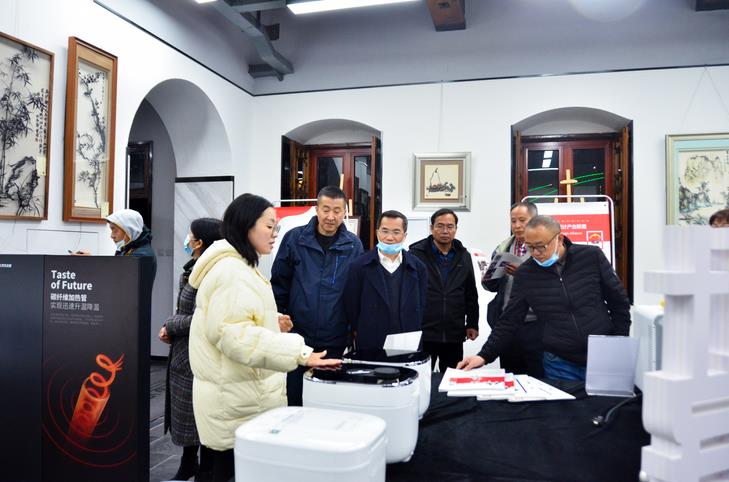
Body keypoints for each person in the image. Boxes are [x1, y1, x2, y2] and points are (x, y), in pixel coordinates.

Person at [188, 193, 341, 482]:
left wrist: (270, 322)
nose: (275, 234)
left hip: (240, 396)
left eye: (276, 227)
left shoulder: (240, 265)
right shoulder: (232, 272)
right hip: (235, 401)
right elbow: (234, 336)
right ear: (246, 226)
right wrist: (299, 353)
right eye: (269, 226)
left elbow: (235, 320)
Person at [458, 215, 631, 381]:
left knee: (605, 401)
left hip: (602, 354)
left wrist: (618, 342)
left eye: (541, 247)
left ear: (559, 239)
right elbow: (509, 320)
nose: (536, 253)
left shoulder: (591, 256)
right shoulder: (526, 273)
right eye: (530, 247)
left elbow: (619, 303)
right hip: (559, 362)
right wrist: (483, 356)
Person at [271, 186, 364, 406]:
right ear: (317, 209)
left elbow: (356, 291)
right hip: (297, 336)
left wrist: (353, 329)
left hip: (334, 336)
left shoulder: (353, 245)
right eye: (326, 209)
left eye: (337, 211)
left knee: (327, 398)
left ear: (344, 212)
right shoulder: (294, 239)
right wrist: (279, 317)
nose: (331, 216)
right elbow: (279, 283)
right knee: (294, 396)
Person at [158, 218, 222, 481]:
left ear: (200, 242)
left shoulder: (211, 272)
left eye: (190, 235)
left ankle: (204, 469)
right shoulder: (193, 268)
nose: (187, 239)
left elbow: (204, 317)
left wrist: (171, 325)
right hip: (184, 351)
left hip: (200, 354)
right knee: (187, 412)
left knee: (200, 413)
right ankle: (189, 463)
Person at [344, 210, 428, 350]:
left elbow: (422, 305)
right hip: (371, 338)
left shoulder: (418, 267)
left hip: (406, 338)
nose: (389, 237)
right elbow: (352, 306)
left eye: (396, 232)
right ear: (377, 233)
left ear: (404, 235)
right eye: (385, 231)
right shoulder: (359, 266)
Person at [409, 208, 479, 372]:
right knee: (421, 377)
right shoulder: (415, 255)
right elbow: (409, 293)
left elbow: (470, 292)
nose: (445, 231)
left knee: (452, 378)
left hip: (454, 331)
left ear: (456, 229)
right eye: (440, 226)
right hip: (424, 331)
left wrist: (472, 323)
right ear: (431, 228)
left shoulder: (464, 255)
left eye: (450, 226)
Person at [482, 201, 544, 377]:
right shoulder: (502, 248)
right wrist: (490, 275)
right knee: (510, 375)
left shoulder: (544, 249)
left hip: (535, 324)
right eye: (513, 221)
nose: (517, 226)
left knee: (536, 376)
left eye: (522, 220)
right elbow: (492, 287)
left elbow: (552, 284)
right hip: (507, 322)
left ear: (535, 220)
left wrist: (523, 274)